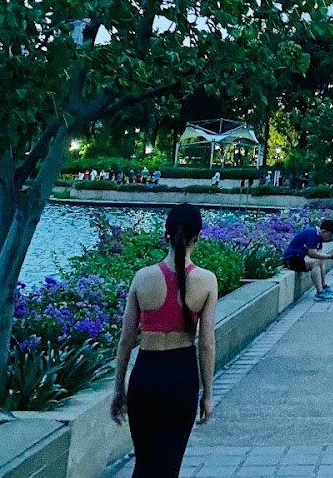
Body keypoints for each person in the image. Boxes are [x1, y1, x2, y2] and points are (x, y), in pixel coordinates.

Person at [111, 203, 218, 478]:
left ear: (165, 235)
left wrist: (118, 389)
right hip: (181, 378)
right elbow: (206, 344)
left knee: (144, 464)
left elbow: (125, 341)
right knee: (168, 467)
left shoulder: (142, 277)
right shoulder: (206, 281)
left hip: (145, 375)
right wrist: (208, 394)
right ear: (198, 237)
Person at [282, 218, 333, 301]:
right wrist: (330, 256)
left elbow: (319, 254)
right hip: (291, 259)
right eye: (329, 235)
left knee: (320, 261)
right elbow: (312, 253)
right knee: (315, 263)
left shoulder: (319, 237)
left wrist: (328, 256)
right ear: (323, 231)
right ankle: (319, 293)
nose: (330, 238)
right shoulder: (313, 234)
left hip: (300, 257)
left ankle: (323, 287)